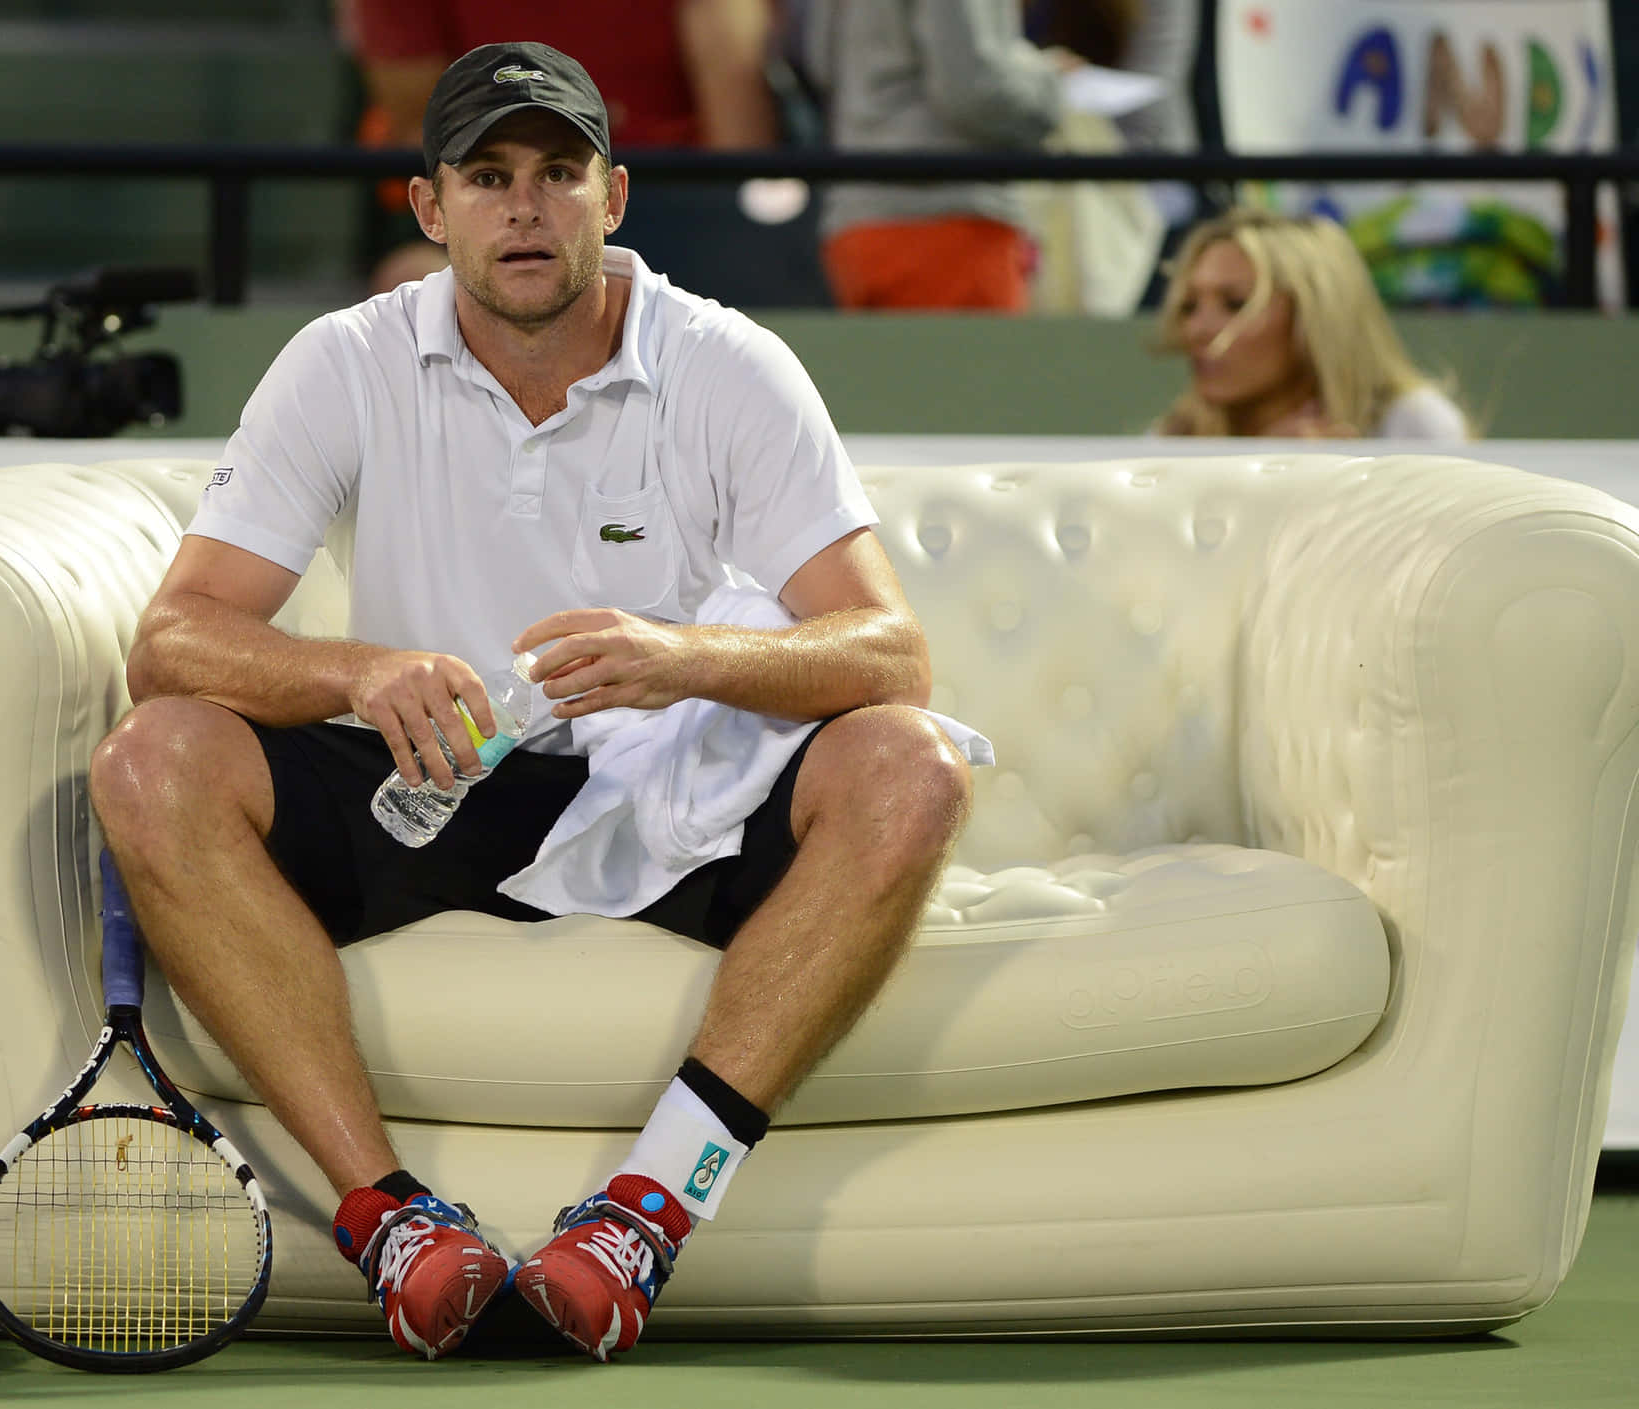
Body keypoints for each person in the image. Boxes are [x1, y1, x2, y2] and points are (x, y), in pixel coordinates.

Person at [88, 41, 975, 1365]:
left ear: (613, 198)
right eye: (489, 175)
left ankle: (642, 1220)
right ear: (428, 206)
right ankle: (393, 1225)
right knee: (153, 760)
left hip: (664, 791)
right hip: (429, 781)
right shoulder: (345, 362)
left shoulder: (728, 363)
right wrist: (360, 670)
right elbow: (174, 639)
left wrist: (684, 657)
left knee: (912, 765)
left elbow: (892, 654)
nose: (525, 207)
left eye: (558, 173)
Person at [339, 0, 781, 298]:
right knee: (412, 278)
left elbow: (742, 150)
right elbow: (422, 125)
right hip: (486, 199)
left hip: (681, 206)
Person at [800, 0, 1068, 311]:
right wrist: (1054, 85)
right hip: (952, 220)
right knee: (978, 361)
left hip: (856, 223)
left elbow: (820, 61)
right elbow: (974, 91)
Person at [1154, 207, 1470, 440]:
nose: (1197, 329)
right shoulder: (1173, 437)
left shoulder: (1413, 426)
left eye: (1236, 304)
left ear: (1314, 315)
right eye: (1189, 306)